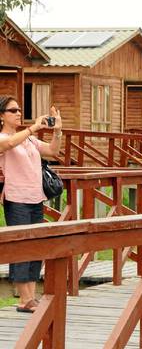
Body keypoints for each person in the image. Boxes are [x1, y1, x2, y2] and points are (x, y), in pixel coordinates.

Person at [0, 96, 62, 313]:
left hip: (36, 198)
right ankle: (24, 299)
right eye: (12, 110)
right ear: (1, 116)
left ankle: (31, 297)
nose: (18, 113)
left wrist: (57, 131)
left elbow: (52, 151)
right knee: (21, 248)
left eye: (19, 109)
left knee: (36, 246)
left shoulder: (28, 140)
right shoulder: (4, 137)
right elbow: (7, 144)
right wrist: (33, 127)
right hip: (16, 199)